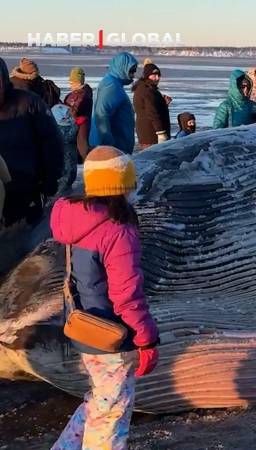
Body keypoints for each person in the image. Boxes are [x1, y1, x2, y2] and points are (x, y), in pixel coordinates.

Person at [50, 145, 159, 450]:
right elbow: (127, 294)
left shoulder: (77, 220)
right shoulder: (117, 230)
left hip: (83, 326)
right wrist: (146, 339)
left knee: (101, 398)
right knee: (112, 411)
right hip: (111, 335)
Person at [0, 57, 64, 226]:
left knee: (24, 240)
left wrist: (52, 177)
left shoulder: (29, 102)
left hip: (25, 188)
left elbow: (52, 142)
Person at [90, 52, 138, 154]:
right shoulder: (112, 86)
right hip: (113, 150)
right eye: (131, 71)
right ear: (121, 67)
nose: (133, 75)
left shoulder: (113, 84)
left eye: (134, 71)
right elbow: (101, 114)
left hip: (116, 149)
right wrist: (107, 144)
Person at [133, 63, 171, 149]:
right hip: (151, 135)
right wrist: (161, 133)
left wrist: (163, 104)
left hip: (148, 134)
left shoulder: (148, 89)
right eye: (154, 75)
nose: (157, 78)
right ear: (147, 76)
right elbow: (152, 113)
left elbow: (153, 108)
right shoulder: (146, 91)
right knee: (152, 159)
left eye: (158, 75)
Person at [64, 67, 93, 160]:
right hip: (79, 125)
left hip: (80, 125)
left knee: (82, 149)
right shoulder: (77, 95)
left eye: (72, 83)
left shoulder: (82, 96)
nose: (70, 85)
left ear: (77, 83)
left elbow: (73, 112)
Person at [52, 103, 78, 193]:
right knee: (68, 174)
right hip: (68, 152)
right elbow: (69, 137)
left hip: (65, 153)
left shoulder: (55, 124)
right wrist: (75, 122)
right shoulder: (63, 126)